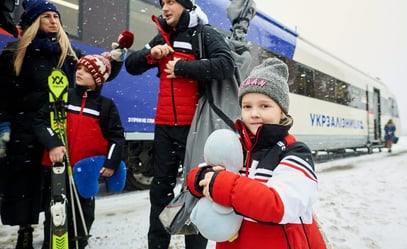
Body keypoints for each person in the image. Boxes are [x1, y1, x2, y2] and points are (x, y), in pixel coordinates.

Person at [124, 0, 235, 248]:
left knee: (197, 188)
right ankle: (157, 244)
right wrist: (149, 54)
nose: (165, 7)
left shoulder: (203, 33)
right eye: (162, 2)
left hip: (196, 128)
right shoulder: (163, 36)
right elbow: (131, 67)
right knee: (159, 190)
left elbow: (226, 65)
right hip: (164, 126)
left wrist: (183, 67)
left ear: (185, 5)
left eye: (171, 2)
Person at [187, 58, 327, 249]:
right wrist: (202, 177)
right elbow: (198, 176)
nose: (254, 113)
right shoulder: (236, 147)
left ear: (282, 112)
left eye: (264, 106)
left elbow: (278, 205)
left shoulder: (294, 152)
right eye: (247, 106)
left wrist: (219, 183)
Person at [0, 1, 82, 248]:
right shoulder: (15, 53)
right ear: (35, 21)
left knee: (55, 186)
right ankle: (25, 231)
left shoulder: (68, 53)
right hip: (25, 129)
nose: (53, 21)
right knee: (26, 185)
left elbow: (93, 75)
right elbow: (4, 95)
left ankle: (54, 233)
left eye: (56, 16)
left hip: (58, 127)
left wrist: (114, 59)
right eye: (47, 16)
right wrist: (4, 125)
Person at [33, 53, 125, 249]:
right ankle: (53, 244)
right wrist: (53, 143)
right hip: (58, 169)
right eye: (79, 69)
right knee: (57, 213)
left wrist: (111, 163)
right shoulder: (62, 96)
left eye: (86, 70)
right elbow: (40, 122)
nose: (79, 73)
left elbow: (116, 138)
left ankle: (78, 243)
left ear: (98, 79)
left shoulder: (105, 105)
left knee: (84, 213)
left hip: (85, 171)